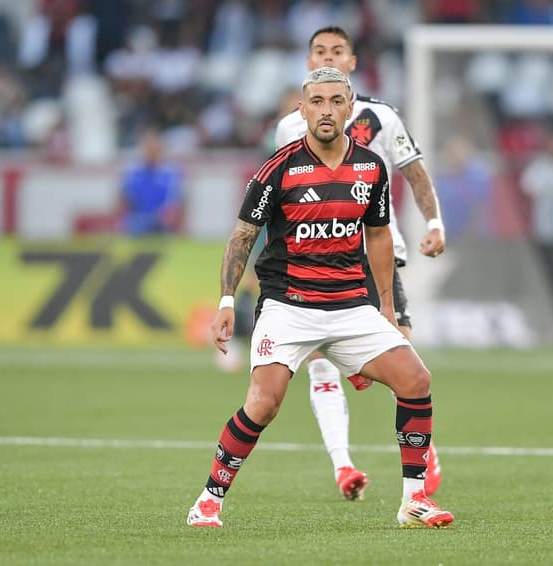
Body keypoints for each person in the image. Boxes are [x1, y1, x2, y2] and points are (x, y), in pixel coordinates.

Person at [186, 66, 454, 529]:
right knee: (264, 403)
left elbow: (379, 236)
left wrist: (386, 308)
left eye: (336, 101)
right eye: (317, 101)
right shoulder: (277, 168)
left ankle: (414, 502)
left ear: (350, 109)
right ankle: (208, 500)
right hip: (289, 307)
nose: (327, 110)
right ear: (302, 109)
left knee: (416, 380)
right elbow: (242, 237)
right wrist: (227, 302)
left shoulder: (371, 167)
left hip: (351, 306)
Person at [274, 26, 446, 500]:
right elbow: (278, 202)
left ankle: (422, 451)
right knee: (321, 367)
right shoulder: (290, 127)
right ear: (308, 62)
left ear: (352, 62)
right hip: (317, 264)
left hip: (377, 254)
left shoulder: (382, 117)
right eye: (318, 51)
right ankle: (343, 466)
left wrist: (435, 223)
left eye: (336, 51)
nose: (326, 57)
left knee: (403, 356)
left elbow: (414, 172)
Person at [117, 129, 184, 236]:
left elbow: (177, 205)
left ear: (160, 149)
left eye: (154, 148)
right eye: (148, 148)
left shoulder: (171, 174)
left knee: (160, 224)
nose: (151, 152)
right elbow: (124, 203)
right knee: (135, 224)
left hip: (162, 222)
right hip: (138, 220)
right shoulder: (132, 173)